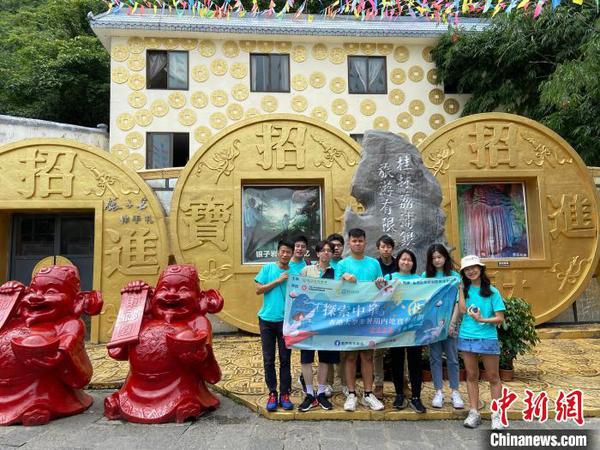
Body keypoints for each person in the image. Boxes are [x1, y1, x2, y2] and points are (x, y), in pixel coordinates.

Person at [336, 228, 385, 412]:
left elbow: (380, 288)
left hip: (369, 317)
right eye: (354, 241)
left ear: (365, 242)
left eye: (360, 240)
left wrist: (380, 282)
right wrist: (343, 277)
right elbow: (334, 290)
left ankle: (367, 393)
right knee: (349, 356)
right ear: (349, 243)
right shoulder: (342, 264)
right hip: (349, 316)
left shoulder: (374, 264)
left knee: (367, 356)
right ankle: (351, 394)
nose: (357, 243)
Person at [457, 255, 506, 430]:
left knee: (493, 377)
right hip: (467, 336)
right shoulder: (465, 290)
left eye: (474, 267)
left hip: (488, 337)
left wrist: (482, 319)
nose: (471, 271)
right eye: (467, 269)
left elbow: (499, 318)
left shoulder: (492, 292)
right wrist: (461, 289)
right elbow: (462, 310)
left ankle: (497, 414)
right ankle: (474, 412)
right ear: (463, 273)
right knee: (471, 375)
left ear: (480, 269)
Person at [297, 241, 340, 412]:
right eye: (323, 250)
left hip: (327, 322)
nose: (326, 253)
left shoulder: (336, 272)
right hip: (308, 321)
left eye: (329, 250)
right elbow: (298, 293)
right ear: (317, 253)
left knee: (324, 358)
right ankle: (309, 393)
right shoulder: (307, 271)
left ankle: (321, 392)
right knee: (306, 358)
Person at [255, 240, 295, 412]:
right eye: (283, 251)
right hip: (267, 320)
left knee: (286, 359)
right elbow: (258, 289)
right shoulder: (268, 269)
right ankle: (272, 392)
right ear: (277, 252)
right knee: (268, 359)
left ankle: (284, 394)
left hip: (286, 322)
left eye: (288, 252)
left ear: (292, 254)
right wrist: (278, 281)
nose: (285, 254)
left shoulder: (296, 272)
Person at [384, 249, 426, 414]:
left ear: (413, 263)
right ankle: (399, 394)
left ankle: (416, 396)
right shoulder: (390, 278)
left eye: (409, 260)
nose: (406, 262)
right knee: (397, 361)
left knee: (415, 362)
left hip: (415, 328)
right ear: (398, 261)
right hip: (395, 328)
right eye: (403, 259)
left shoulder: (420, 280)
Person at [423, 244, 465, 410]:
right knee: (434, 358)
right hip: (433, 326)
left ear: (445, 258)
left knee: (453, 359)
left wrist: (453, 322)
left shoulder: (454, 277)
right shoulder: (425, 276)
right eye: (433, 258)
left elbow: (457, 301)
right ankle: (438, 391)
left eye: (439, 257)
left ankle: (455, 391)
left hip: (451, 325)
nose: (437, 260)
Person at [373, 234, 397, 400]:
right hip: (379, 313)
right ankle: (379, 384)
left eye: (389, 246)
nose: (386, 249)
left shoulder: (400, 263)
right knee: (377, 351)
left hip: (397, 312)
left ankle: (403, 383)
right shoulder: (375, 265)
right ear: (378, 248)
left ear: (392, 248)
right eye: (383, 246)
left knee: (400, 348)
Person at [325, 233, 346, 395]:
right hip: (327, 314)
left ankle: (345, 383)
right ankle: (328, 383)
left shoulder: (346, 264)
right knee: (327, 348)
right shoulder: (323, 265)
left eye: (339, 245)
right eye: (332, 246)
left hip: (345, 312)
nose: (336, 248)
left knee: (344, 349)